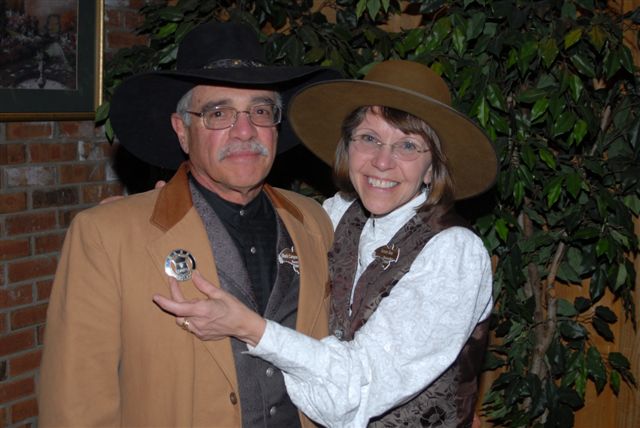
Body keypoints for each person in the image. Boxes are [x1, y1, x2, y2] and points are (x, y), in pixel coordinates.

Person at [153, 60, 498, 428]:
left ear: (431, 168)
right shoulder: (335, 215)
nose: (382, 162)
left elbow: (351, 391)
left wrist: (251, 328)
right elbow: (261, 218)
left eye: (408, 145)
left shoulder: (454, 253)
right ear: (347, 148)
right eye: (369, 138)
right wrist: (168, 208)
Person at [37, 22, 340, 427]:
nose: (245, 131)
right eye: (218, 113)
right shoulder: (106, 236)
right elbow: (75, 406)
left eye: (261, 111)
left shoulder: (315, 222)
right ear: (182, 130)